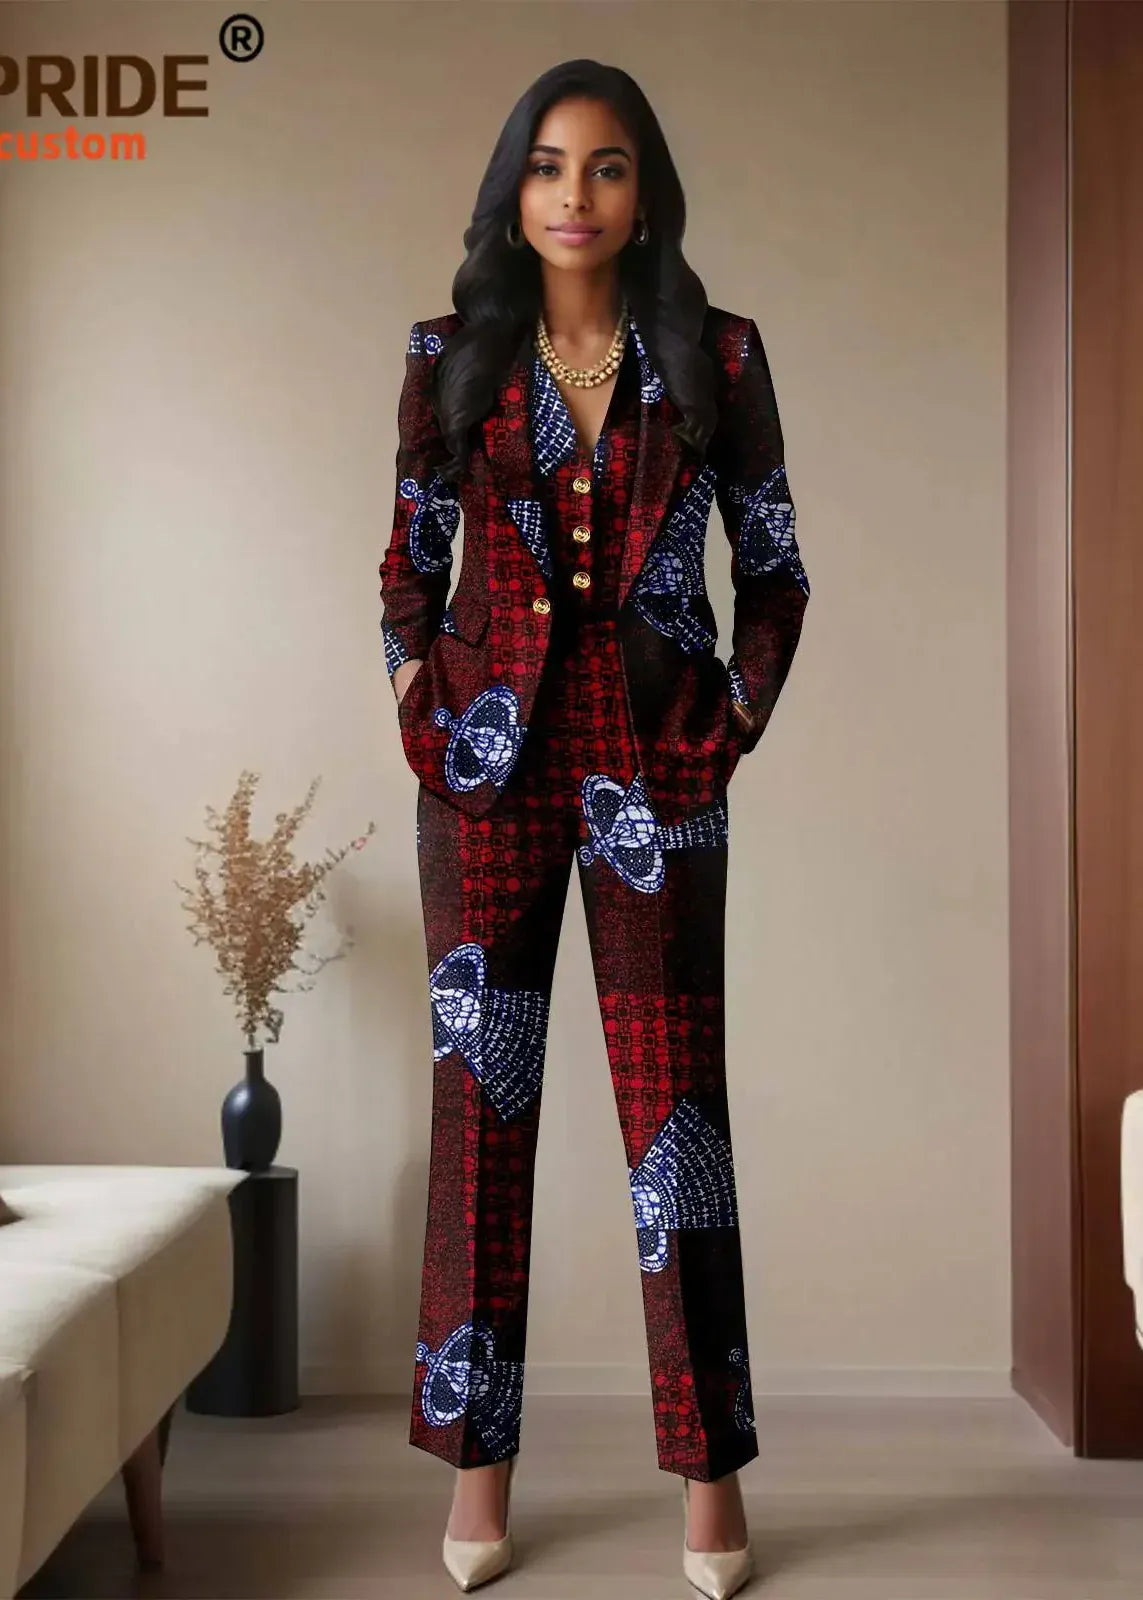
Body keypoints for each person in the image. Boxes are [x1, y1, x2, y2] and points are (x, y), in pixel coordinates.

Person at [379, 57, 809, 1598]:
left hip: (658, 776)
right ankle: (479, 1477)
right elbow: (406, 576)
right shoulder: (450, 358)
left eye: (607, 167)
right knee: (479, 1123)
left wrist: (730, 722)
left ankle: (710, 1488)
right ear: (516, 190)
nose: (575, 196)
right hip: (484, 787)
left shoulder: (721, 356)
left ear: (646, 192)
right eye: (550, 167)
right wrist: (428, 718)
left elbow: (776, 573)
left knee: (671, 1130)